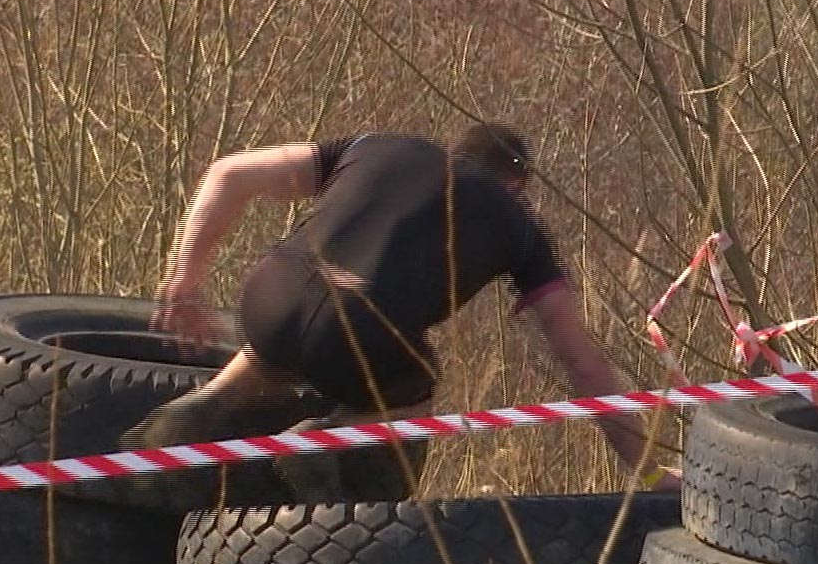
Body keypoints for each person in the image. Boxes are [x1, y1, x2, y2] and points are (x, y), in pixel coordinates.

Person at [124, 124, 681, 491]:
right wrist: (647, 468)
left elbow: (229, 172)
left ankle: (211, 399)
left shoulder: (370, 147)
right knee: (417, 378)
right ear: (516, 182)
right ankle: (327, 443)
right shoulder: (519, 227)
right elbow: (582, 364)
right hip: (363, 331)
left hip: (266, 298)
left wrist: (182, 284)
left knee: (292, 333)